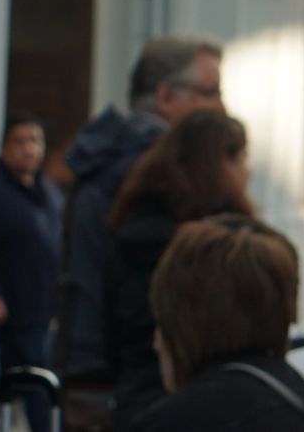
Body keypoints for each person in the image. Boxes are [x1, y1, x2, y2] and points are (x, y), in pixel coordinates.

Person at [63, 33, 225, 379]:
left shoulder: (113, 158)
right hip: (143, 370)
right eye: (211, 92)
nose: (221, 107)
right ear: (165, 96)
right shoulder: (158, 172)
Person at [104, 111, 255, 428]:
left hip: (138, 395)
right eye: (239, 159)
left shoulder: (135, 223)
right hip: (192, 399)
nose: (247, 173)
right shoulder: (212, 247)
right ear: (216, 166)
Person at [130, 216, 304, 432]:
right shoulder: (298, 398)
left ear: (185, 322)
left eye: (162, 321)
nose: (156, 342)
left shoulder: (188, 418)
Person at [0, 116, 65, 432]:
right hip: (11, 305)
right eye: (20, 141)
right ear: (4, 147)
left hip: (42, 302)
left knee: (15, 380)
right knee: (34, 378)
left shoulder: (47, 190)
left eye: (35, 141)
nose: (29, 149)